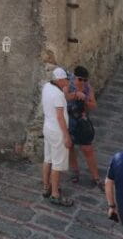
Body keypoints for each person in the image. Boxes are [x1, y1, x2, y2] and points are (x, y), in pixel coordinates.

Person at [64, 65, 102, 189]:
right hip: (69, 120)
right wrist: (75, 94)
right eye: (80, 79)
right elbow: (64, 98)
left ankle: (95, 177)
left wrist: (85, 98)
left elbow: (93, 105)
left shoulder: (87, 87)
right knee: (70, 147)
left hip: (82, 121)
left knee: (88, 149)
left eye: (85, 80)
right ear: (74, 77)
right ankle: (75, 172)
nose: (83, 82)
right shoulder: (68, 84)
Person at [41, 67, 73, 207]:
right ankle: (55, 194)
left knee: (47, 159)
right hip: (57, 131)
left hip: (47, 127)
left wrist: (64, 92)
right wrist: (67, 136)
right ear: (60, 80)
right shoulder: (58, 95)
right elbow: (60, 117)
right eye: (66, 79)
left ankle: (46, 187)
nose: (68, 81)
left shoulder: (47, 86)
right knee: (57, 163)